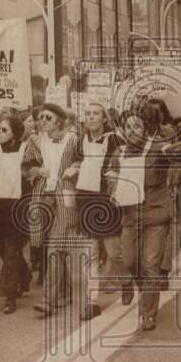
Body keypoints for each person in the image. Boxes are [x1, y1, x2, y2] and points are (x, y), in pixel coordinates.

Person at [105, 102, 181, 331]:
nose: (134, 130)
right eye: (129, 126)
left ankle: (148, 313)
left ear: (145, 128)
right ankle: (143, 288)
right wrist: (114, 189)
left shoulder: (158, 148)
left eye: (138, 126)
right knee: (131, 261)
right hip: (130, 216)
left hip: (156, 214)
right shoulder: (119, 153)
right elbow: (111, 176)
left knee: (151, 265)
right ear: (123, 130)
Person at [29, 103, 87, 319]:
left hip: (66, 197)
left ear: (60, 121)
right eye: (42, 117)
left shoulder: (73, 140)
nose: (43, 120)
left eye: (48, 117)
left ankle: (49, 300)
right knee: (59, 249)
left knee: (56, 247)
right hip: (44, 198)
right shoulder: (38, 142)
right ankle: (68, 295)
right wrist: (37, 171)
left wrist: (76, 167)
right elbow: (26, 166)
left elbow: (86, 159)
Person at [64, 102, 123, 297]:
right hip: (85, 197)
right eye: (88, 114)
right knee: (91, 251)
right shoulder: (82, 139)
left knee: (113, 251)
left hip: (106, 199)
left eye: (95, 114)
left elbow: (122, 163)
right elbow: (78, 159)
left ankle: (122, 277)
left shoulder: (114, 139)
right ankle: (92, 298)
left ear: (104, 118)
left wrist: (114, 173)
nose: (91, 117)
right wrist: (74, 167)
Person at [0, 113, 39, 314]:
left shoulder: (27, 151)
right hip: (0, 207)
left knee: (11, 250)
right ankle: (24, 277)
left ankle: (9, 296)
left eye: (4, 130)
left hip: (20, 206)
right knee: (4, 248)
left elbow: (33, 176)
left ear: (15, 134)